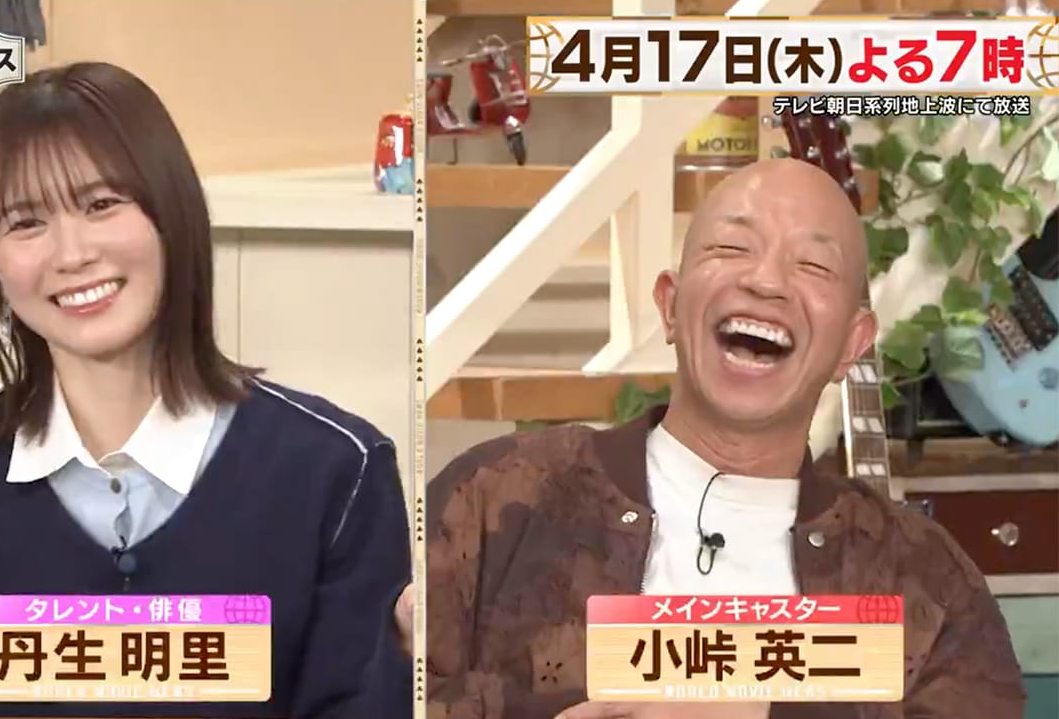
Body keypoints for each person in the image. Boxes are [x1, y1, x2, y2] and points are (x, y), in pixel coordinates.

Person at [0, 62, 412, 718]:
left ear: (172, 214)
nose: (71, 253)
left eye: (101, 204)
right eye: (26, 222)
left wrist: (411, 655)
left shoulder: (336, 469)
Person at [416, 158, 1024, 718]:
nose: (766, 281)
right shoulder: (496, 498)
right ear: (669, 305)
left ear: (852, 344)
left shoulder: (925, 580)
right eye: (732, 248)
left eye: (813, 266)